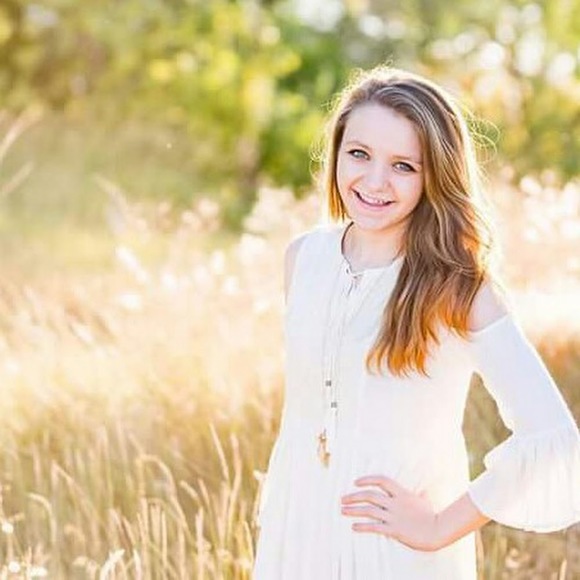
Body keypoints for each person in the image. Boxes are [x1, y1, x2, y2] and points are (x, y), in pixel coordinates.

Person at [252, 66, 580, 579]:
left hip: (393, 548)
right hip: (299, 528)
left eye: (403, 166)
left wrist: (438, 526)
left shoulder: (459, 287)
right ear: (336, 151)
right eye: (359, 154)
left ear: (435, 177)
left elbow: (553, 437)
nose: (374, 181)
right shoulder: (304, 258)